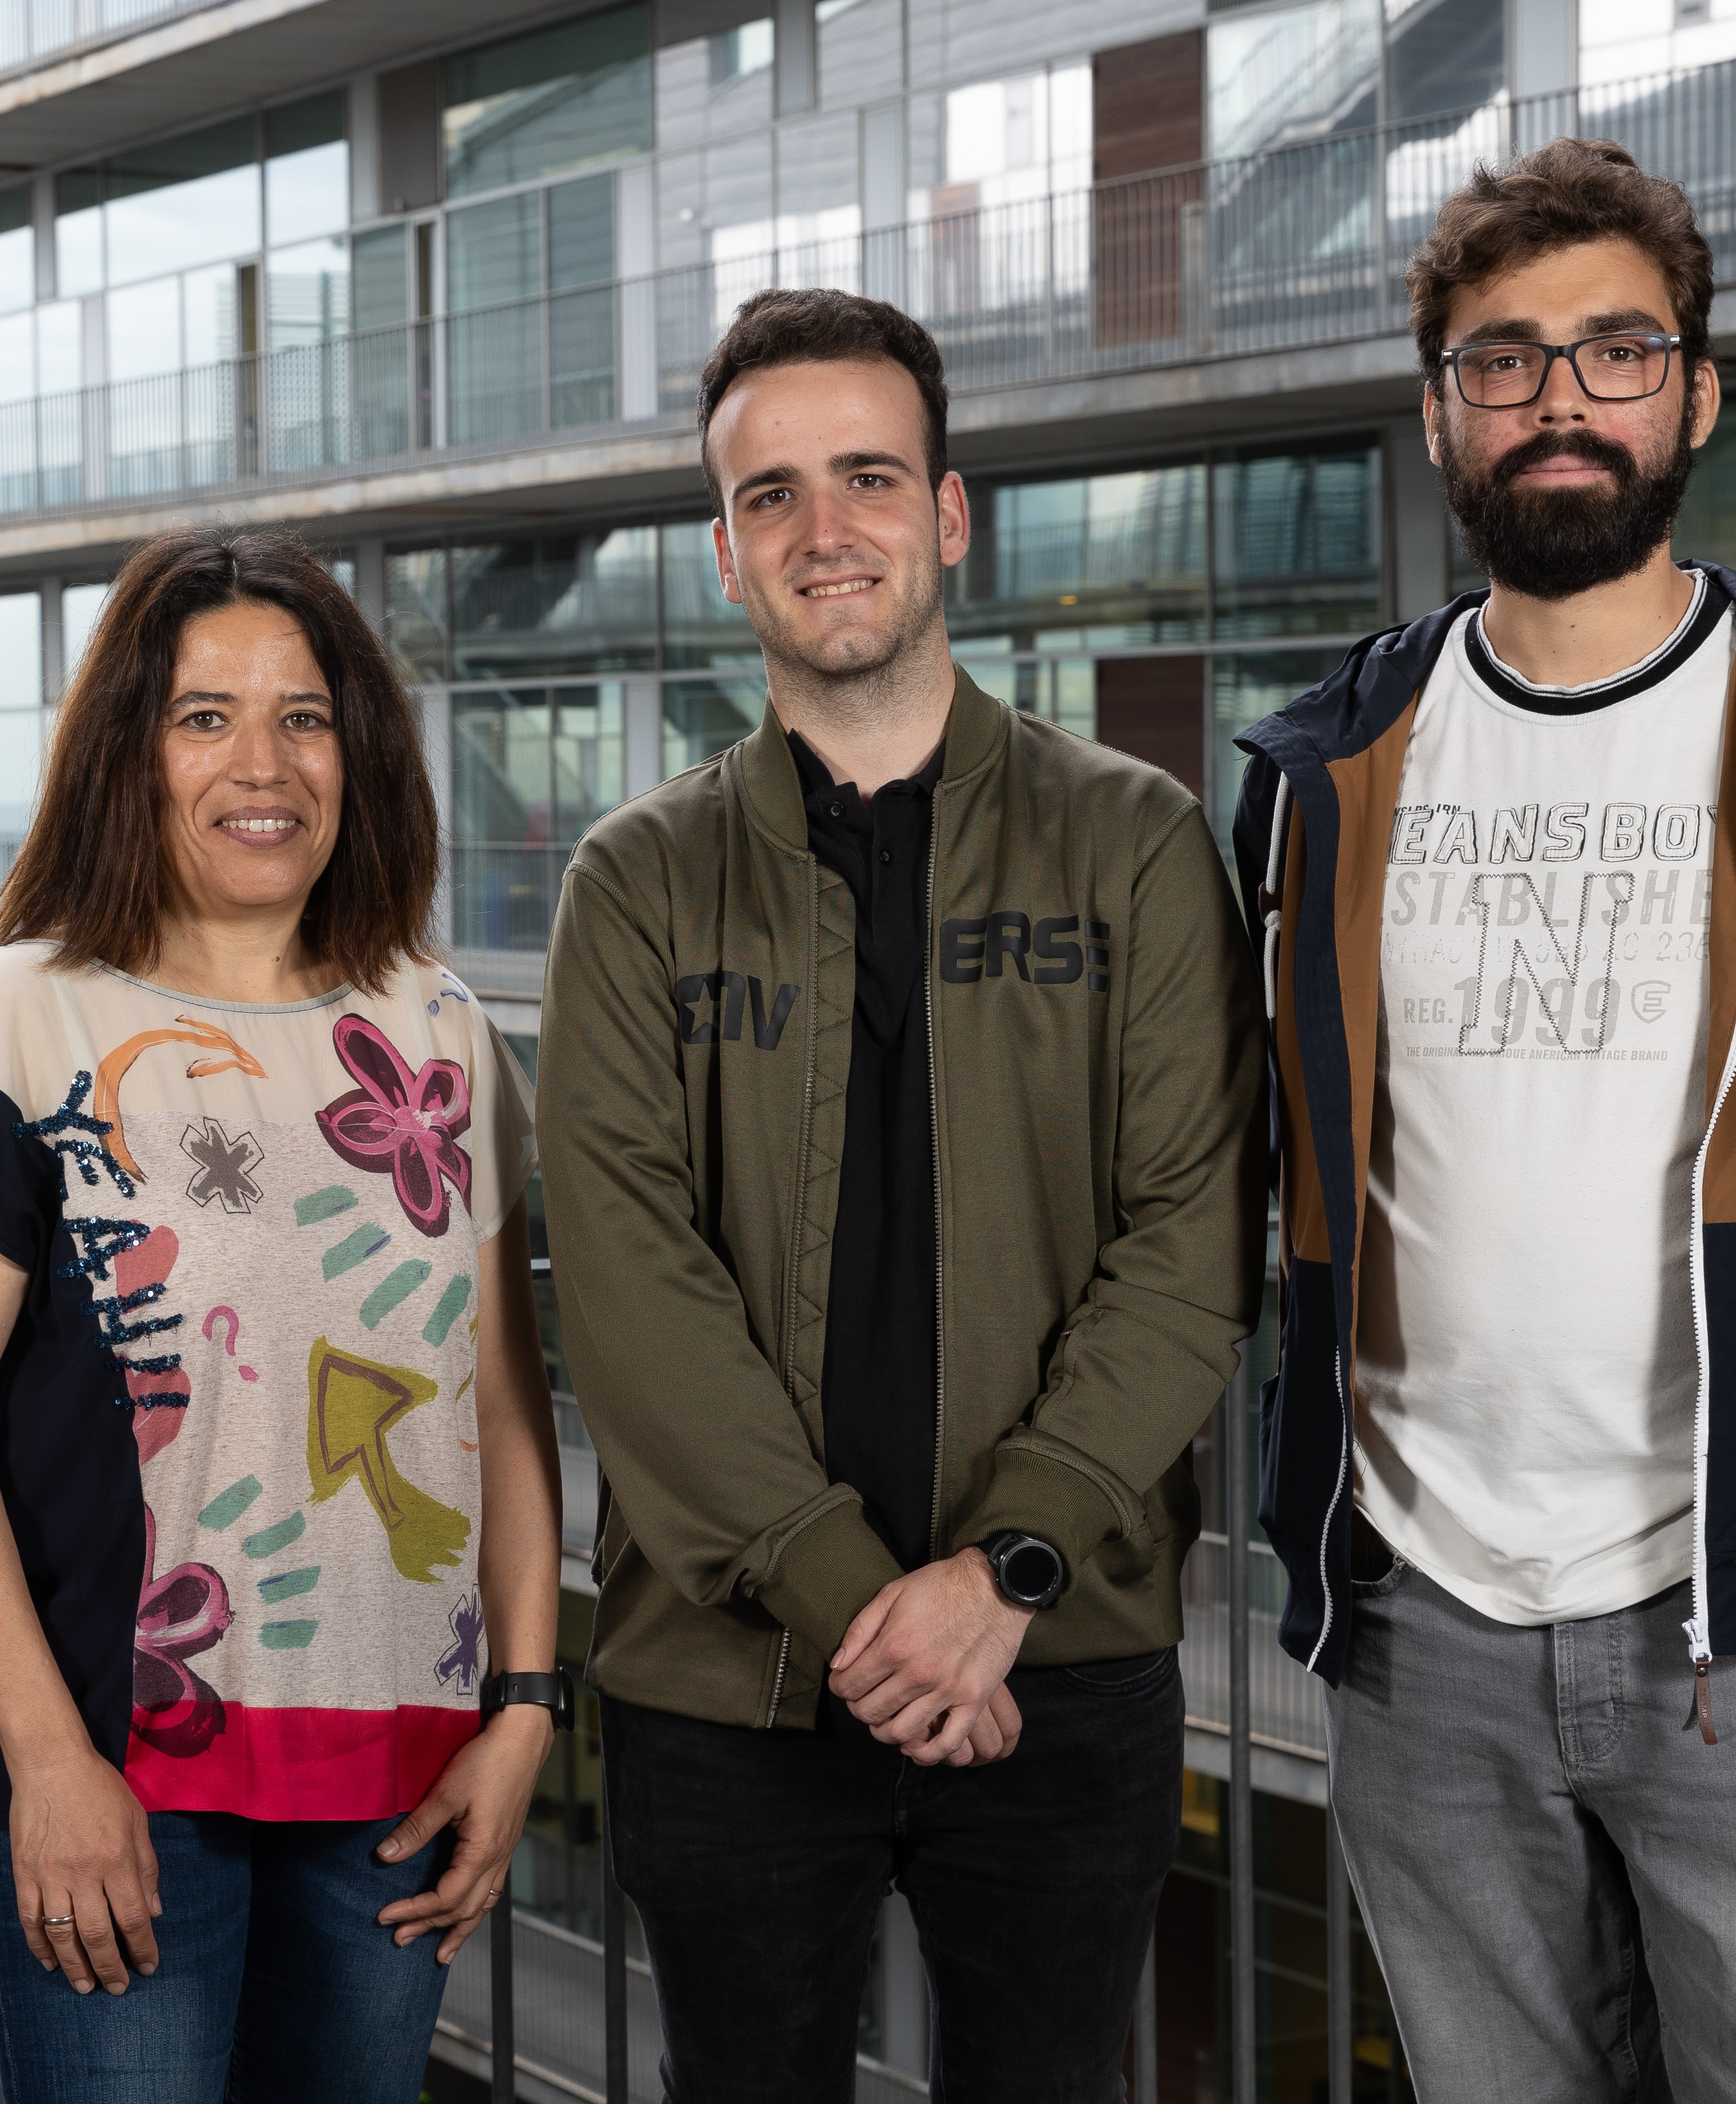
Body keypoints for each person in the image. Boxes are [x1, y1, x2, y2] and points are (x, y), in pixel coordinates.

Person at [1229, 139, 1736, 2102]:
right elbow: (1270, 1172)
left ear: (1698, 391)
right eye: (1503, 359)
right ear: (1442, 412)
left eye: (1617, 349)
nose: (1561, 398)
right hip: (1415, 1624)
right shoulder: (1319, 769)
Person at [537, 287, 1267, 2102]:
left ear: (949, 516)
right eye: (770, 494)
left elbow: (1190, 1242)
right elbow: (627, 1283)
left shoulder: (1135, 840)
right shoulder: (635, 881)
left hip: (1056, 1660)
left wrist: (1007, 1570)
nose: (825, 528)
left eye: (868, 476)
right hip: (724, 1686)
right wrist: (869, 1605)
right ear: (725, 554)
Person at [0, 526, 562, 2104]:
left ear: (359, 752)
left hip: (400, 1779)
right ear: (130, 750)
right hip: (120, 1766)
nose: (265, 764)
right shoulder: (10, 1023)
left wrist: (523, 1709)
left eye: (305, 717)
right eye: (204, 717)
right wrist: (47, 1757)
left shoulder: (440, 1033)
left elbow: (503, 1407)